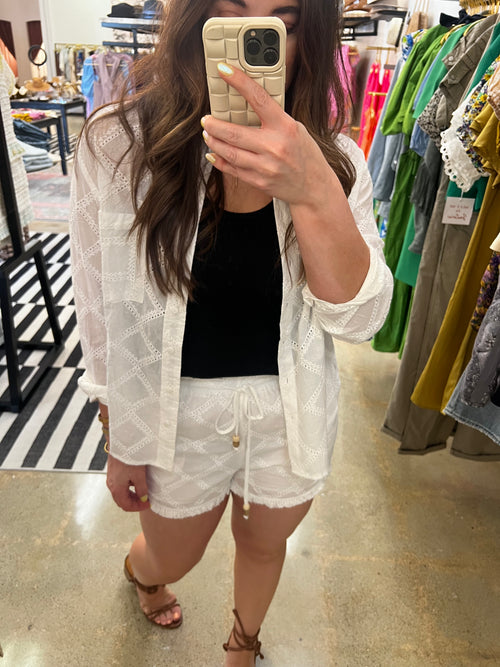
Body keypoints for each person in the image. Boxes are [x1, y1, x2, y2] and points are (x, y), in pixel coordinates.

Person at [69, 0, 393, 664]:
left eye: (283, 24)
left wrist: (311, 189)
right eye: (230, 15)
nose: (254, 44)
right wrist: (119, 436)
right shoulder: (118, 145)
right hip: (173, 415)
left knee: (266, 545)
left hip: (288, 412)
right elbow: (101, 304)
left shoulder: (335, 161)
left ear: (308, 36)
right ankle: (145, 574)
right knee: (172, 554)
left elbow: (359, 320)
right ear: (196, 22)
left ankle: (243, 644)